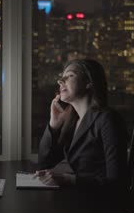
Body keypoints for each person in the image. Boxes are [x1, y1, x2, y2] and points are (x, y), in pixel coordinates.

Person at [34, 59, 127, 194]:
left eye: (70, 76)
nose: (60, 81)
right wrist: (53, 125)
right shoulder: (73, 120)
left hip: (99, 205)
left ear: (89, 82)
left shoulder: (107, 119)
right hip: (82, 197)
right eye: (61, 77)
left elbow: (116, 182)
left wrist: (69, 179)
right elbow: (44, 164)